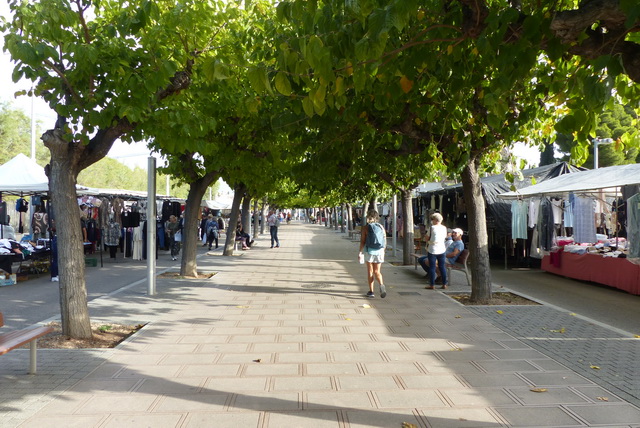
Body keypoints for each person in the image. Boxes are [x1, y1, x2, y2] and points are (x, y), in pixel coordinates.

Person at [359, 209, 387, 298]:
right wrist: (383, 251)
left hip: (369, 251)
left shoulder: (365, 228)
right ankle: (381, 284)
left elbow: (362, 241)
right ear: (377, 217)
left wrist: (360, 252)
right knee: (377, 272)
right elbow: (384, 240)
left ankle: (371, 292)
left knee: (370, 272)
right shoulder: (381, 227)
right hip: (380, 251)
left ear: (368, 217)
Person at [418, 213, 449, 289]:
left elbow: (427, 238)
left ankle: (432, 284)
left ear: (435, 220)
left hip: (433, 249)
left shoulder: (432, 228)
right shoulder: (444, 228)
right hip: (442, 248)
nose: (431, 221)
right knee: (442, 267)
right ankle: (444, 284)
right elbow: (444, 237)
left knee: (432, 267)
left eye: (432, 219)